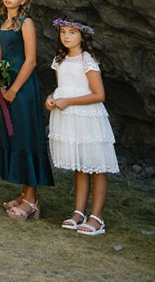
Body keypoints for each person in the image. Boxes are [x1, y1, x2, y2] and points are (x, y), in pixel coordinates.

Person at [46, 18, 119, 236]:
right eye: (62, 32)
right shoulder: (59, 60)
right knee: (80, 165)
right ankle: (79, 213)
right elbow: (63, 89)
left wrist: (69, 102)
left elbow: (99, 94)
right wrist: (51, 98)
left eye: (71, 32)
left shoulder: (87, 60)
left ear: (82, 36)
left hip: (89, 117)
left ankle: (97, 218)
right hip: (70, 118)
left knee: (96, 165)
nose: (66, 36)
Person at [0, 0, 54, 219]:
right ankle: (24, 192)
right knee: (16, 136)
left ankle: (32, 200)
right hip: (7, 86)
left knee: (27, 137)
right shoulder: (5, 22)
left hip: (22, 88)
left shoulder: (26, 23)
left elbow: (31, 60)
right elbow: (0, 56)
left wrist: (14, 89)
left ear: (24, 0)